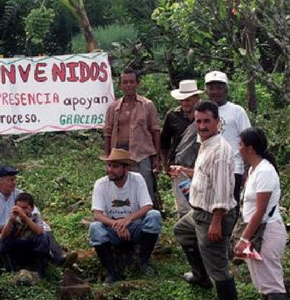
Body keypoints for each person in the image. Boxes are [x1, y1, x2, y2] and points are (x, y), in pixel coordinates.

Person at [171, 101, 238, 299]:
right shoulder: (205, 144)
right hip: (198, 212)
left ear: (217, 121)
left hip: (212, 215)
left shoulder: (219, 151)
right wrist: (184, 171)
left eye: (207, 121)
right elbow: (205, 175)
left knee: (219, 269)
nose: (202, 126)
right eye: (198, 121)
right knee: (182, 231)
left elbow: (223, 191)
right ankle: (200, 276)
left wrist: (216, 222)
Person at [0, 165, 77, 268]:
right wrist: (5, 228)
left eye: (15, 179)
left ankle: (59, 257)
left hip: (19, 230)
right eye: (11, 180)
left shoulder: (20, 194)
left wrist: (23, 223)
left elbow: (35, 214)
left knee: (44, 227)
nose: (14, 182)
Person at [89, 148, 162, 284]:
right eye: (109, 165)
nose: (110, 170)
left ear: (126, 168)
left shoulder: (137, 179)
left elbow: (147, 206)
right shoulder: (100, 184)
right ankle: (111, 271)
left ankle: (143, 263)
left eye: (115, 166)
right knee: (95, 228)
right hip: (113, 229)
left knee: (154, 216)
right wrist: (116, 224)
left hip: (134, 227)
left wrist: (127, 220)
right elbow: (97, 214)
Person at [233, 128, 288, 300]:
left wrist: (244, 239)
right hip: (257, 233)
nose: (238, 148)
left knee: (272, 286)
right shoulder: (252, 170)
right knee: (263, 284)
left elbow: (260, 210)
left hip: (266, 233)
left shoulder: (264, 171)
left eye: (240, 144)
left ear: (250, 149)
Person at [104, 67, 161, 209]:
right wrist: (108, 156)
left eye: (131, 82)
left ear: (137, 83)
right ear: (120, 85)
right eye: (125, 82)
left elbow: (155, 131)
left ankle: (149, 217)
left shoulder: (147, 105)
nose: (128, 85)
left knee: (145, 187)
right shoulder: (114, 107)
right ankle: (124, 215)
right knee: (120, 187)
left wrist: (156, 157)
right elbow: (108, 132)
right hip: (119, 154)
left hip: (142, 154)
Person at [204, 71, 251, 202]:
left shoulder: (237, 111)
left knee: (231, 206)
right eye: (211, 88)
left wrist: (247, 169)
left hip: (233, 168)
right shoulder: (203, 112)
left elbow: (248, 141)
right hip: (209, 169)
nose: (215, 92)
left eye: (219, 87)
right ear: (206, 91)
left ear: (226, 89)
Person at [160, 79, 202, 217]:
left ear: (196, 98)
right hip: (179, 168)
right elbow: (164, 142)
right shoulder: (172, 116)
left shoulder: (205, 116)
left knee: (202, 204)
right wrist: (165, 163)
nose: (185, 103)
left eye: (188, 100)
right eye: (182, 100)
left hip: (200, 167)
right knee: (183, 207)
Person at [0, 193, 50, 277]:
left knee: (43, 238)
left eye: (25, 208)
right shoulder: (13, 219)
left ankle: (40, 271)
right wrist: (11, 221)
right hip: (17, 250)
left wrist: (25, 218)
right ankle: (10, 271)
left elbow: (39, 231)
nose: (22, 211)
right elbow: (3, 236)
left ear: (32, 208)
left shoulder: (36, 217)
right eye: (19, 208)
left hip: (32, 250)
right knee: (1, 240)